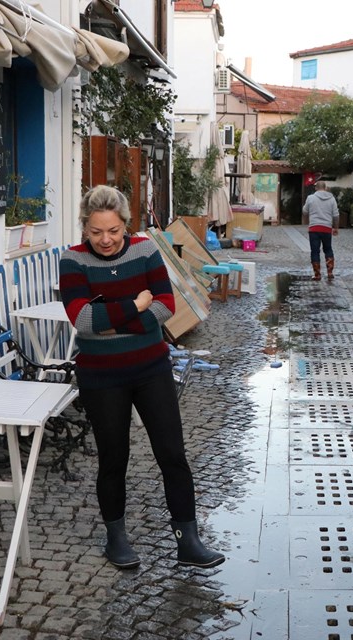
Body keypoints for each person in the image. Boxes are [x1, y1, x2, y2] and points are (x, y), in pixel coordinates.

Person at [59, 185, 225, 570]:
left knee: (172, 454)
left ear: (125, 226)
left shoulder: (146, 250)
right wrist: (136, 305)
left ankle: (188, 540)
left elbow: (167, 306)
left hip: (151, 369)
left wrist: (111, 321)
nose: (105, 239)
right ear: (85, 228)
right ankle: (116, 538)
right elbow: (83, 320)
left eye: (113, 231)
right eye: (97, 231)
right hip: (101, 377)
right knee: (113, 458)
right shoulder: (73, 261)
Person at [302, 181, 339, 281]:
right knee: (328, 249)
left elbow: (305, 211)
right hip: (327, 228)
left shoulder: (310, 198)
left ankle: (317, 274)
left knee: (315, 251)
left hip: (314, 228)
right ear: (325, 188)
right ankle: (330, 272)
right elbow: (336, 215)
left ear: (316, 188)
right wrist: (335, 227)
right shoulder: (332, 199)